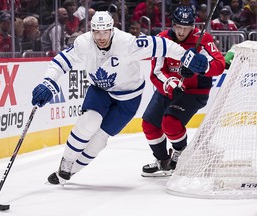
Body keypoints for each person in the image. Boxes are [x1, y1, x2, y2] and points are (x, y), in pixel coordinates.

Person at [31, 11, 208, 185]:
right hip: (101, 90)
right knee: (89, 122)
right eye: (96, 32)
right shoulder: (83, 43)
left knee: (99, 139)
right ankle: (66, 162)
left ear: (112, 30)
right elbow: (61, 61)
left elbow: (162, 44)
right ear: (91, 31)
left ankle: (69, 173)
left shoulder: (127, 43)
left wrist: (186, 56)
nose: (101, 37)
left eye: (105, 32)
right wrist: (48, 81)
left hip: (129, 97)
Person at [141, 5, 225, 177]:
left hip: (194, 91)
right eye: (178, 27)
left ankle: (180, 154)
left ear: (192, 26)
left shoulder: (203, 39)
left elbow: (220, 65)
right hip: (168, 89)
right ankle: (163, 162)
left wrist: (201, 67)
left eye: (186, 28)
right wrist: (171, 84)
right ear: (173, 24)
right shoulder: (162, 39)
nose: (181, 32)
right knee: (149, 124)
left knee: (170, 123)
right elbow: (156, 72)